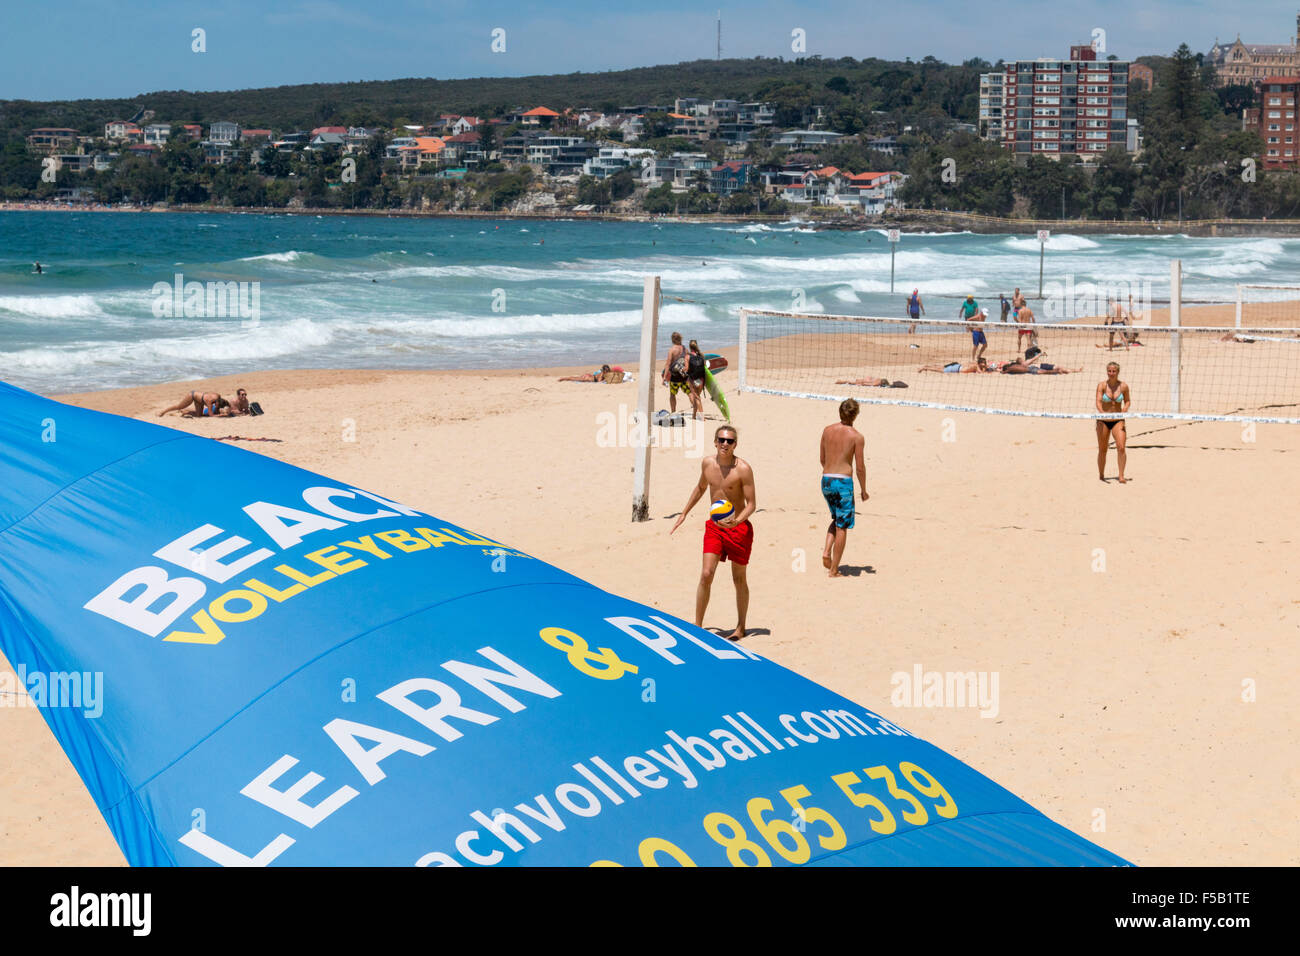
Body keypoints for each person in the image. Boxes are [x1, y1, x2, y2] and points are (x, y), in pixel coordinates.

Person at [670, 425, 755, 640]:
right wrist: (684, 513)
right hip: (715, 528)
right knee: (706, 574)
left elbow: (752, 504)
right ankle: (698, 624)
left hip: (738, 528)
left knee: (739, 579)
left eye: (730, 441)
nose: (725, 444)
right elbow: (700, 488)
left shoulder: (743, 469)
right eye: (721, 440)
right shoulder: (707, 463)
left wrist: (737, 521)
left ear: (736, 444)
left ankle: (740, 627)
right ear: (715, 441)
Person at [820, 399, 868, 577]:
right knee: (843, 526)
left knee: (837, 518)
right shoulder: (857, 437)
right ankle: (833, 570)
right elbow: (860, 468)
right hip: (843, 483)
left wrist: (831, 472)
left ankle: (826, 551)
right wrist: (863, 490)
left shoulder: (827, 430)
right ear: (856, 415)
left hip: (826, 480)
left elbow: (822, 459)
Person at [1095, 361, 1131, 483]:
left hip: (1118, 420)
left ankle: (1121, 476)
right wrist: (1101, 412)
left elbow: (1127, 401)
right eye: (1109, 371)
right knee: (1103, 449)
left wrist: (1125, 410)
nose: (1111, 373)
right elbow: (1098, 402)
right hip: (1103, 420)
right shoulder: (1102, 386)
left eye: (1114, 371)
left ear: (1118, 372)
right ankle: (1101, 474)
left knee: (1121, 448)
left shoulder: (1124, 386)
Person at [662, 332, 689, 414]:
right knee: (690, 393)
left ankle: (673, 412)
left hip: (674, 377)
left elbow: (668, 364)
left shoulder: (672, 350)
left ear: (673, 339)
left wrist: (664, 378)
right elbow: (688, 361)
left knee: (672, 394)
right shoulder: (685, 349)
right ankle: (696, 410)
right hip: (684, 376)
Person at [158, 390, 227, 417]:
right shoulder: (210, 402)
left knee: (199, 415)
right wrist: (221, 415)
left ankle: (185, 412)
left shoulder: (218, 396)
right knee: (179, 406)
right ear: (218, 402)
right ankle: (163, 412)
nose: (216, 406)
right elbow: (211, 415)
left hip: (200, 400)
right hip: (192, 395)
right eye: (217, 405)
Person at [686, 340, 707, 420]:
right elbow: (704, 365)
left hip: (693, 380)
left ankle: (702, 417)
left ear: (690, 347)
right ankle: (694, 416)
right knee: (696, 397)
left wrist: (682, 369)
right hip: (701, 379)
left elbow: (686, 369)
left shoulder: (688, 356)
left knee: (697, 397)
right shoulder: (701, 355)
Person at [559, 364, 625, 382]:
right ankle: (564, 378)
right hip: (588, 378)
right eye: (606, 370)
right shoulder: (602, 373)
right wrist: (604, 380)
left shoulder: (604, 372)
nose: (607, 372)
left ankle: (565, 378)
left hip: (590, 376)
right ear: (604, 370)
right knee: (575, 379)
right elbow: (599, 381)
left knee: (576, 378)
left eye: (608, 370)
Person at [919, 357, 992, 373]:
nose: (984, 364)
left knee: (940, 367)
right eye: (983, 363)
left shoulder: (975, 364)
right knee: (939, 370)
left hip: (958, 366)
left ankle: (926, 367)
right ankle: (925, 368)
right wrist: (986, 368)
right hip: (956, 369)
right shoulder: (976, 366)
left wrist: (985, 367)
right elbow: (981, 373)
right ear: (980, 363)